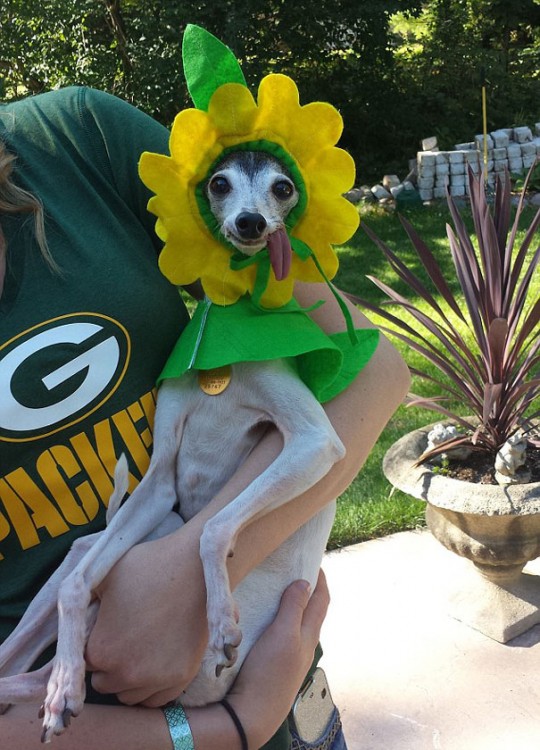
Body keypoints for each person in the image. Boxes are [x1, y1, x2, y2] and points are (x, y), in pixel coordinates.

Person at [0, 85, 410, 749]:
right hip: (218, 711)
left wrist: (191, 580)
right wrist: (225, 727)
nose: (249, 213)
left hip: (276, 704)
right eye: (225, 191)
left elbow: (376, 374)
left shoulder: (74, 139)